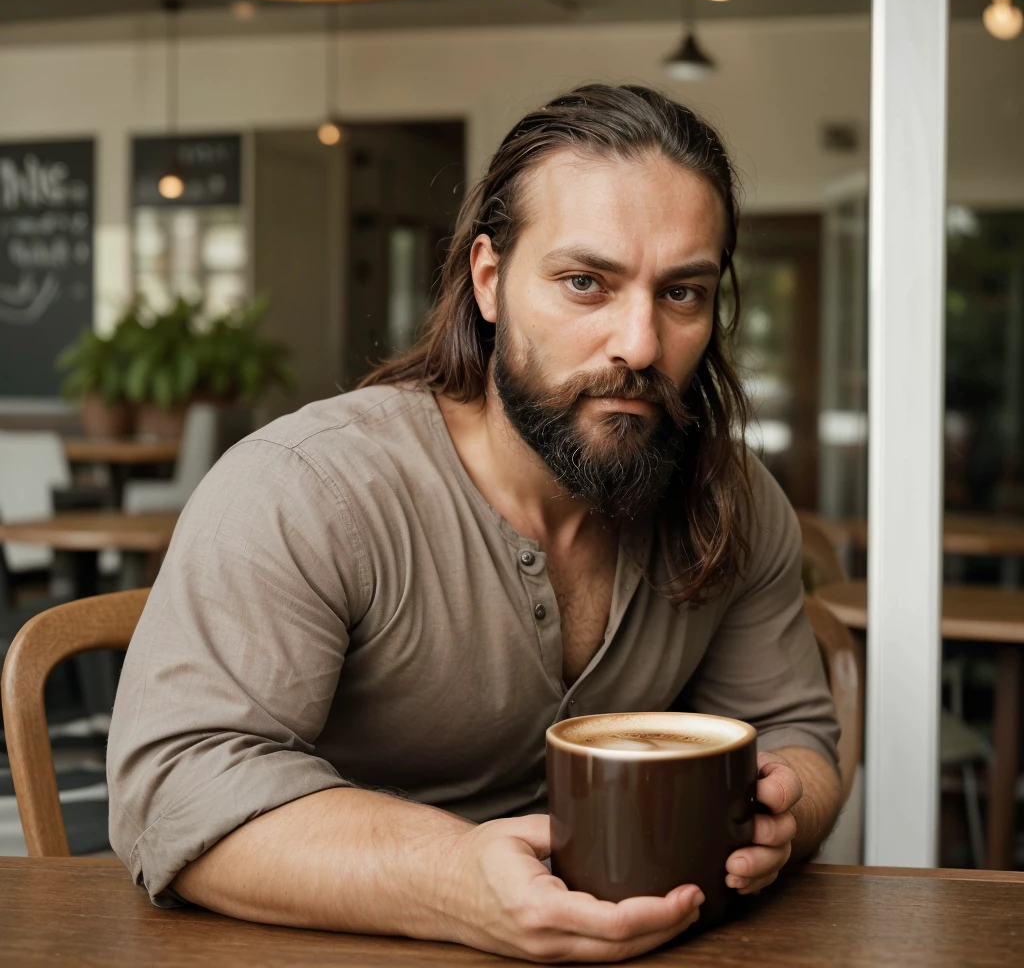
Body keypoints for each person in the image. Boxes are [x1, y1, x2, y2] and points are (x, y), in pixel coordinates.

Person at [107, 84, 841, 964]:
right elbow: (174, 786)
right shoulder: (306, 488)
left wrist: (782, 813)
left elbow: (800, 734)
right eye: (584, 283)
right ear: (489, 280)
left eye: (681, 293)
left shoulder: (734, 498)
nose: (640, 344)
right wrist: (454, 876)